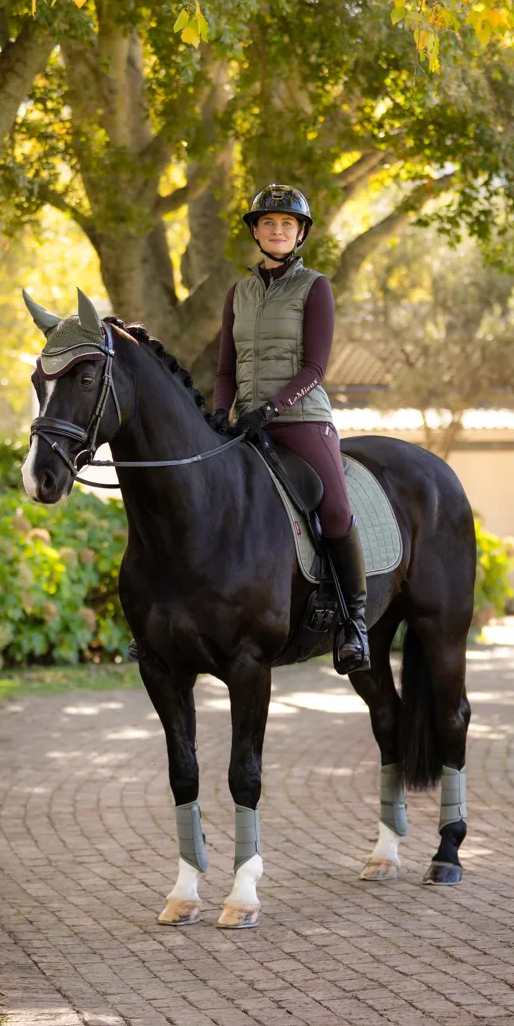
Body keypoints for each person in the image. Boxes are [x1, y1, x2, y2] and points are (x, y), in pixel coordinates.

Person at [213, 183, 370, 674]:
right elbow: (224, 367)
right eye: (268, 223)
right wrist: (222, 413)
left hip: (302, 420)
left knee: (336, 509)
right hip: (246, 424)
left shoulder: (315, 287)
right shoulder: (238, 292)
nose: (277, 231)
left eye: (287, 224)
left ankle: (354, 621)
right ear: (256, 232)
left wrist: (272, 407)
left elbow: (316, 367)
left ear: (299, 233)